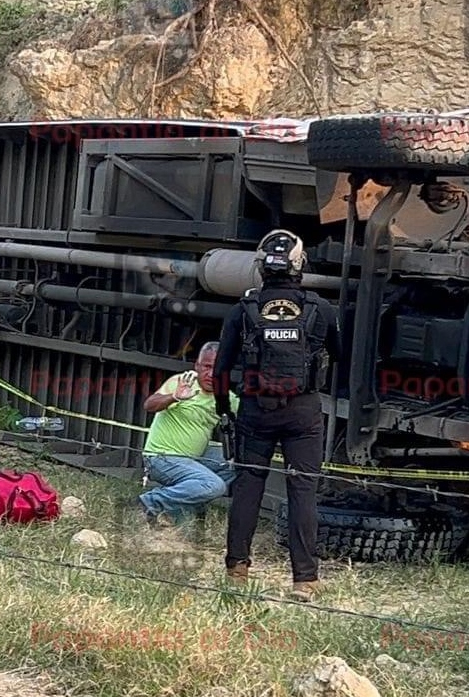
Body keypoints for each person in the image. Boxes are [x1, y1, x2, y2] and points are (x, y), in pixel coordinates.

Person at [212, 229, 341, 601]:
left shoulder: (244, 309)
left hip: (255, 410)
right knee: (303, 490)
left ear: (261, 266)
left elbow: (221, 369)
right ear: (300, 264)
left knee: (248, 487)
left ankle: (237, 569)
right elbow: (340, 354)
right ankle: (305, 580)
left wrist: (225, 410)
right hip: (304, 412)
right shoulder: (320, 309)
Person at [138, 342, 240, 528]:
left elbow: (248, 418)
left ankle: (181, 507)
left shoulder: (226, 397)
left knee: (238, 461)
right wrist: (174, 397)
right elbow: (149, 405)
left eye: (217, 368)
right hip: (162, 457)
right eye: (207, 367)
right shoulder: (184, 382)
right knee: (214, 486)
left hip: (194, 457)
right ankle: (149, 502)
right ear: (197, 366)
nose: (211, 373)